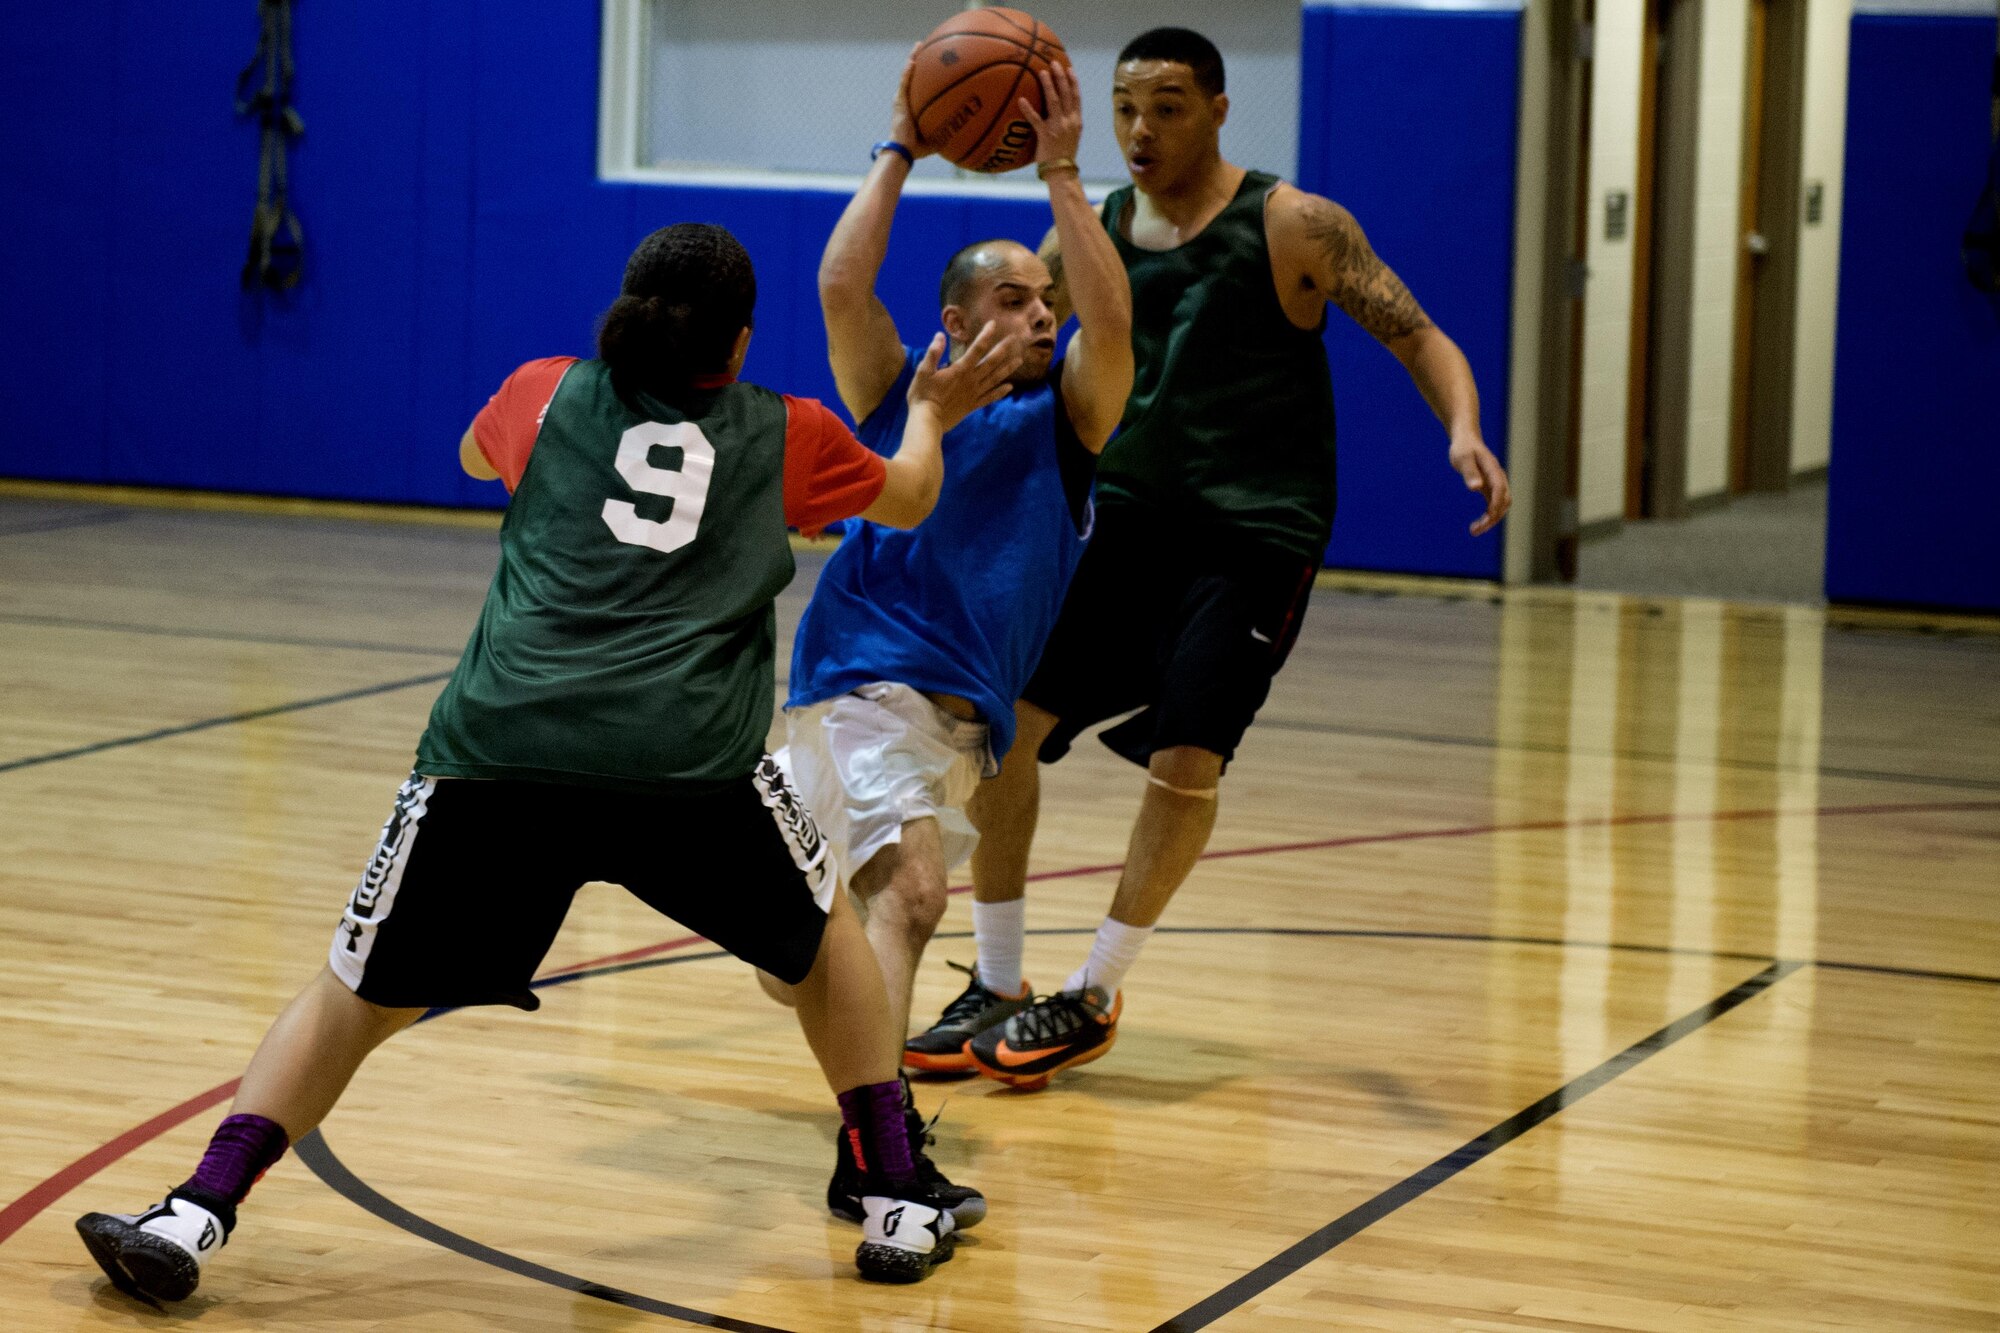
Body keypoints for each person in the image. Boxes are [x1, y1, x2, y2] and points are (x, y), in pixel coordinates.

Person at [73, 221, 1023, 1302]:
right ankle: (895, 1193)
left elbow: (475, 456)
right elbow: (910, 496)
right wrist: (934, 413)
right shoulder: (787, 431)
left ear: (626, 316)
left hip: (502, 750)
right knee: (827, 946)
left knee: (356, 993)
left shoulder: (543, 391)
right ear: (742, 341)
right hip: (686, 764)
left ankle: (197, 1210)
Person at [919, 28, 1512, 1089]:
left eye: (1169, 107)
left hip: (1255, 534)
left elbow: (1418, 333)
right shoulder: (1088, 232)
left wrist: (1460, 426)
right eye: (1125, 108)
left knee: (1185, 760)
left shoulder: (1292, 224)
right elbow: (1009, 356)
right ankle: (999, 980)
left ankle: (1093, 990)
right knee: (999, 729)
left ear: (1220, 109)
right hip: (1129, 525)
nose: (1142, 131)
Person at [757, 58, 1132, 1209]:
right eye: (1017, 299)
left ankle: (854, 1094)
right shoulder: (897, 390)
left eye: (1046, 300)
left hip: (951, 733)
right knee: (914, 898)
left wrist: (1064, 170)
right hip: (860, 689)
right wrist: (901, 144)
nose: (1041, 313)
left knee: (812, 960)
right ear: (957, 320)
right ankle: (875, 1154)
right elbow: (837, 283)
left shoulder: (1067, 419)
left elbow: (1111, 320)